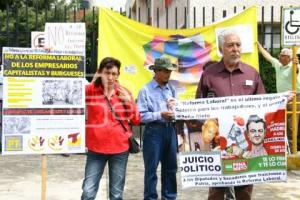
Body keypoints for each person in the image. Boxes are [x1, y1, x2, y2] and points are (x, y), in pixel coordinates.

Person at [196, 29, 266, 200]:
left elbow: (263, 105)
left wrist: (281, 101)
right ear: (221, 49)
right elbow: (197, 107)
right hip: (218, 145)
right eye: (230, 45)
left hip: (245, 145)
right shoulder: (209, 75)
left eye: (238, 45)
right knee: (217, 191)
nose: (235, 49)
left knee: (244, 190)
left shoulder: (252, 73)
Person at [81, 57, 141, 200]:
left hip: (120, 149)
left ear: (118, 75)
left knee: (116, 194)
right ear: (100, 73)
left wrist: (129, 102)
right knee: (88, 192)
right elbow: (68, 88)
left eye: (114, 74)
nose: (110, 77)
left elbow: (136, 120)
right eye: (107, 73)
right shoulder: (90, 90)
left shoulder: (123, 93)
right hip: (96, 149)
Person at [137, 57, 178, 200]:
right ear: (157, 71)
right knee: (151, 170)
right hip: (153, 132)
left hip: (170, 130)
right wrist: (159, 114)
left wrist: (176, 111)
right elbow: (140, 116)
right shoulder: (145, 90)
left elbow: (177, 112)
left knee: (171, 169)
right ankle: (150, 198)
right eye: (166, 71)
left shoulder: (171, 89)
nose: (168, 74)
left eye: (170, 71)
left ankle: (169, 197)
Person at [257, 42, 300, 151]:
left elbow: (296, 70)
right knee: (281, 124)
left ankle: (291, 150)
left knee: (291, 125)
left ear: (288, 58)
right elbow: (268, 56)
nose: (279, 56)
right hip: (282, 98)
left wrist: (296, 64)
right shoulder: (278, 64)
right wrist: (259, 46)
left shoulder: (294, 65)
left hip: (295, 98)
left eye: (281, 55)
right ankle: (284, 148)